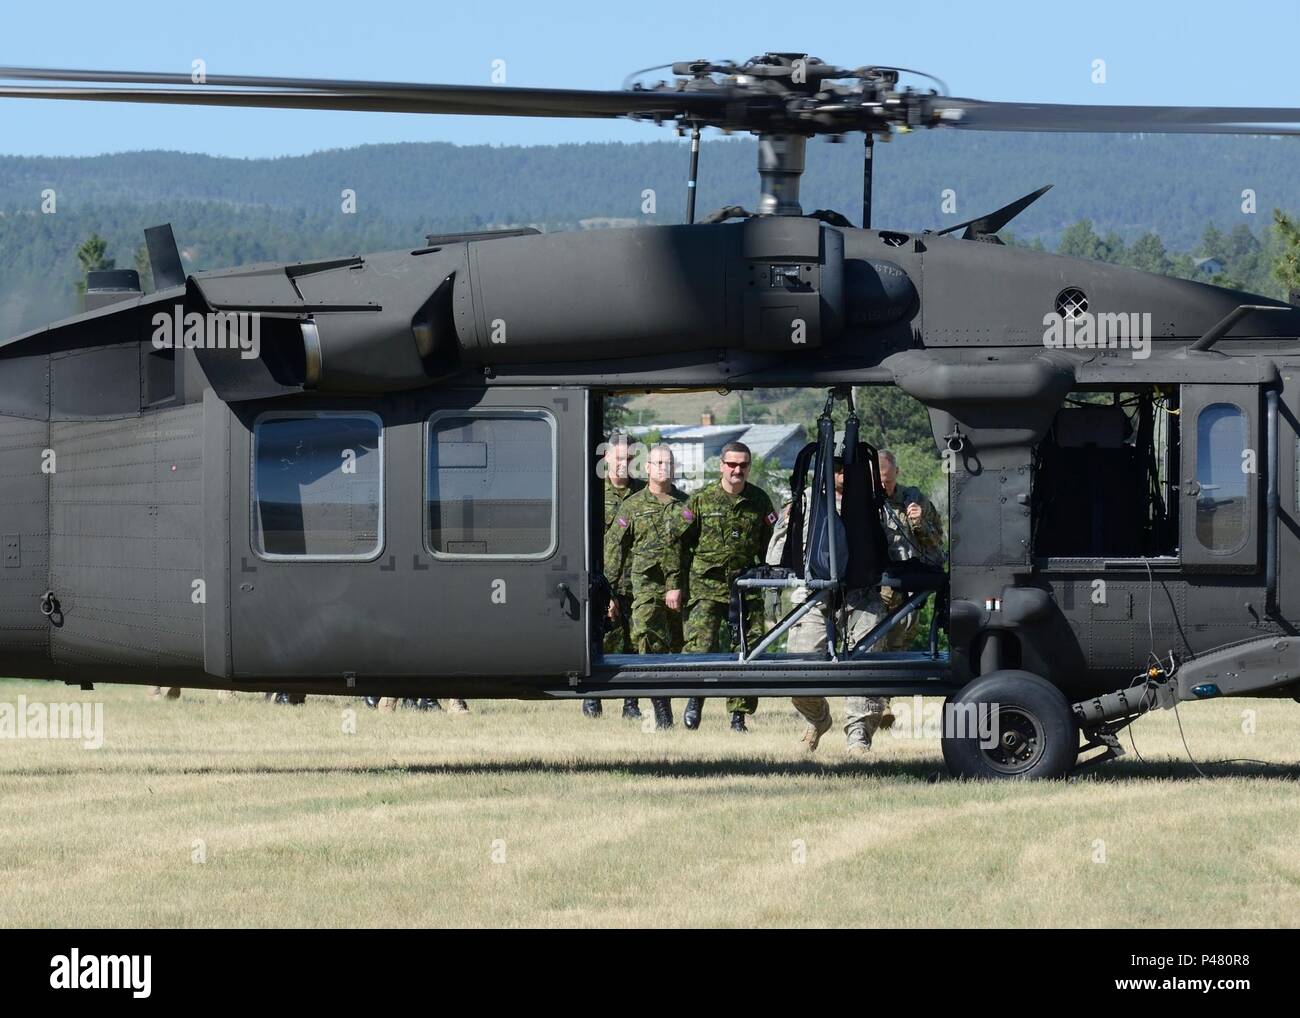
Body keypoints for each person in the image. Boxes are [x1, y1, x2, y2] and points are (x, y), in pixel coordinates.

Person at [786, 448, 944, 755]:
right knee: (796, 663)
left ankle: (858, 736)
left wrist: (918, 523)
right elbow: (782, 546)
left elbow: (926, 546)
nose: (845, 477)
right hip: (818, 595)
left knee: (867, 664)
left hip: (869, 594)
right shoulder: (808, 501)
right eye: (839, 471)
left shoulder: (883, 505)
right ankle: (817, 718)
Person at [680, 441, 778, 733]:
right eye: (732, 464)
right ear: (721, 465)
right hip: (706, 586)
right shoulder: (700, 499)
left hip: (745, 586)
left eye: (743, 465)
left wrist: (771, 581)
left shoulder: (759, 501)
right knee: (700, 646)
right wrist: (676, 585)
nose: (737, 470)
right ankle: (694, 701)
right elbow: (679, 545)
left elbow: (772, 547)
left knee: (748, 650)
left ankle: (738, 715)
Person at [605, 443, 687, 729]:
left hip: (681, 590)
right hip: (646, 589)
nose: (662, 467)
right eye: (657, 463)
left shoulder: (688, 505)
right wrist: (608, 593)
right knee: (648, 644)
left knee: (675, 648)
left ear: (674, 469)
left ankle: (675, 704)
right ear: (648, 468)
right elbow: (615, 550)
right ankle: (661, 710)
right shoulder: (633, 505)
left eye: (668, 463)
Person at [586, 433, 646, 721]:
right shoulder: (592, 494)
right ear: (606, 457)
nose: (625, 463)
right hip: (602, 583)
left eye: (631, 458)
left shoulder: (644, 494)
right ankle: (593, 698)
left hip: (636, 583)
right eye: (619, 457)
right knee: (600, 641)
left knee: (633, 644)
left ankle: (630, 703)